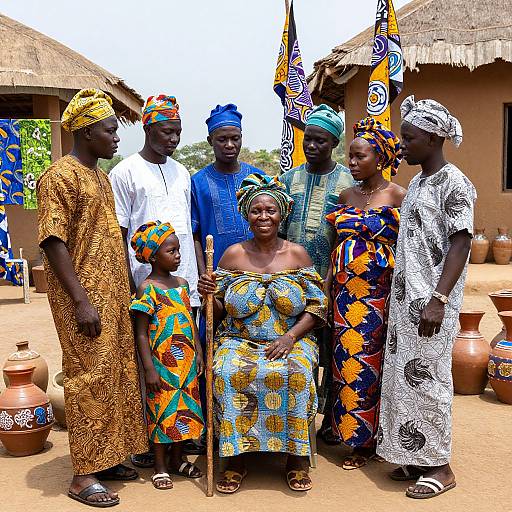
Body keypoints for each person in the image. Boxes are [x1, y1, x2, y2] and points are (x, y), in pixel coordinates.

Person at [37, 89, 148, 508]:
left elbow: (109, 238)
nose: (115, 137)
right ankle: (83, 475)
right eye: (108, 130)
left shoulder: (100, 176)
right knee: (88, 378)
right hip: (82, 298)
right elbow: (53, 241)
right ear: (86, 132)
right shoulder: (59, 177)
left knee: (118, 372)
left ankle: (110, 455)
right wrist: (82, 300)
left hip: (114, 293)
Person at [198, 173, 327, 494]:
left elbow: (317, 307)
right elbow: (217, 314)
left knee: (295, 372)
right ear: (246, 214)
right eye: (256, 211)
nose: (264, 216)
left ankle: (295, 458)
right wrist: (208, 295)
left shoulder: (297, 255)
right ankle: (237, 458)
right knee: (227, 372)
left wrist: (290, 338)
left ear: (281, 213)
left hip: (291, 339)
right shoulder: (232, 255)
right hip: (238, 340)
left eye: (270, 210)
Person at [376, 96, 476, 499]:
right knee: (404, 379)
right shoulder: (418, 182)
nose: (402, 146)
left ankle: (441, 467)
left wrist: (439, 297)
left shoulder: (456, 183)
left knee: (430, 382)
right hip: (406, 303)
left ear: (434, 138)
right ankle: (413, 454)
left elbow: (461, 243)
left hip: (432, 303)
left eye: (409, 138)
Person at [109, 94, 200, 467]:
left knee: (183, 364)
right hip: (144, 283)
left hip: (184, 283)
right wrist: (129, 282)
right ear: (148, 128)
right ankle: (151, 444)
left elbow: (190, 226)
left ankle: (182, 437)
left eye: (177, 132)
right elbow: (119, 231)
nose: (173, 139)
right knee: (151, 368)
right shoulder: (125, 172)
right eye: (166, 131)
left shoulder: (183, 173)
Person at [324, 117, 405, 470]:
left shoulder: (399, 195)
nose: (352, 163)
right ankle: (353, 438)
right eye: (350, 157)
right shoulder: (346, 195)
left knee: (376, 367)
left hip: (381, 296)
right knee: (347, 366)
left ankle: (376, 440)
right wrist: (327, 289)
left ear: (380, 157)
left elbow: (408, 251)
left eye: (359, 157)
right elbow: (334, 247)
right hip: (345, 295)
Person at [190, 103, 265, 454]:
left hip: (253, 278)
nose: (229, 145)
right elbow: (194, 232)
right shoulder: (198, 182)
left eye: (234, 138)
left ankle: (259, 425)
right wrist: (202, 273)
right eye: (222, 139)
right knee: (210, 346)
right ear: (210, 140)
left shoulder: (256, 177)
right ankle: (213, 426)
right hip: (215, 280)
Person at [280, 103, 354, 445]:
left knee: (333, 351)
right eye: (308, 139)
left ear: (334, 143)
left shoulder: (348, 184)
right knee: (296, 347)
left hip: (335, 281)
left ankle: (329, 421)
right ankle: (295, 417)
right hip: (290, 285)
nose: (312, 146)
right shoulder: (287, 180)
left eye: (321, 141)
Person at [130, 221, 204, 490]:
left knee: (184, 412)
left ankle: (178, 459)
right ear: (152, 255)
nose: (178, 256)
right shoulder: (147, 288)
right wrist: (148, 368)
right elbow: (140, 333)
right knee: (162, 413)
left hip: (185, 363)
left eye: (178, 250)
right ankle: (160, 466)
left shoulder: (182, 284)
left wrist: (198, 353)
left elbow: (190, 321)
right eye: (171, 251)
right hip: (161, 365)